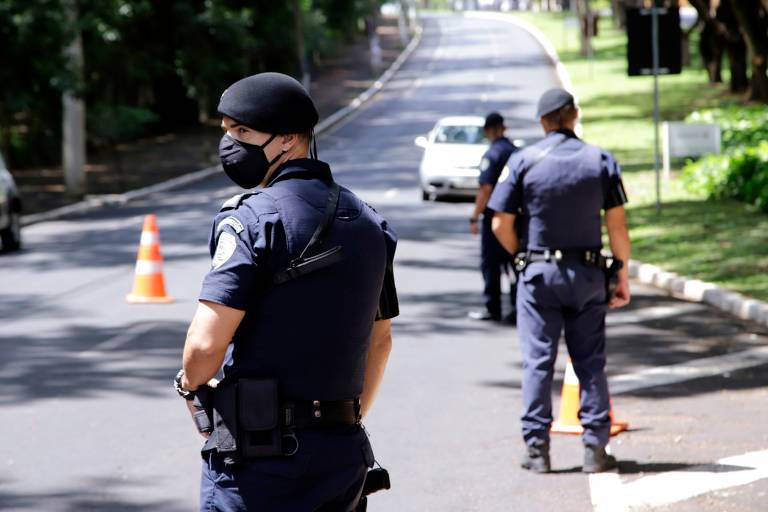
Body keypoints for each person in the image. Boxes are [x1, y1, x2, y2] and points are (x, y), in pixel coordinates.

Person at [173, 72, 399, 511]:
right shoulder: (371, 224)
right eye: (226, 132)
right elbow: (381, 341)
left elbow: (204, 344)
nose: (230, 144)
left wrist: (189, 386)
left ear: (289, 139)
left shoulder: (251, 221)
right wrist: (343, 422)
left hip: (258, 467)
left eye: (243, 131)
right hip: (342, 459)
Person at [487, 88, 631, 474]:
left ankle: (538, 451)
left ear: (543, 122)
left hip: (539, 276)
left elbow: (499, 222)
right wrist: (621, 273)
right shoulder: (601, 160)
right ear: (574, 115)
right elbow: (616, 225)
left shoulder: (523, 161)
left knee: (538, 361)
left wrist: (522, 256)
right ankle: (595, 449)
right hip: (587, 275)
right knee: (590, 362)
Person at [468, 112, 518, 323]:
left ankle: (493, 308)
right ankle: (517, 308)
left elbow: (486, 189)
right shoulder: (517, 153)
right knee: (515, 263)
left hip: (494, 219)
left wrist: (474, 217)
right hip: (517, 217)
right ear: (503, 128)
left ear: (489, 130)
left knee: (491, 265)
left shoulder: (492, 155)